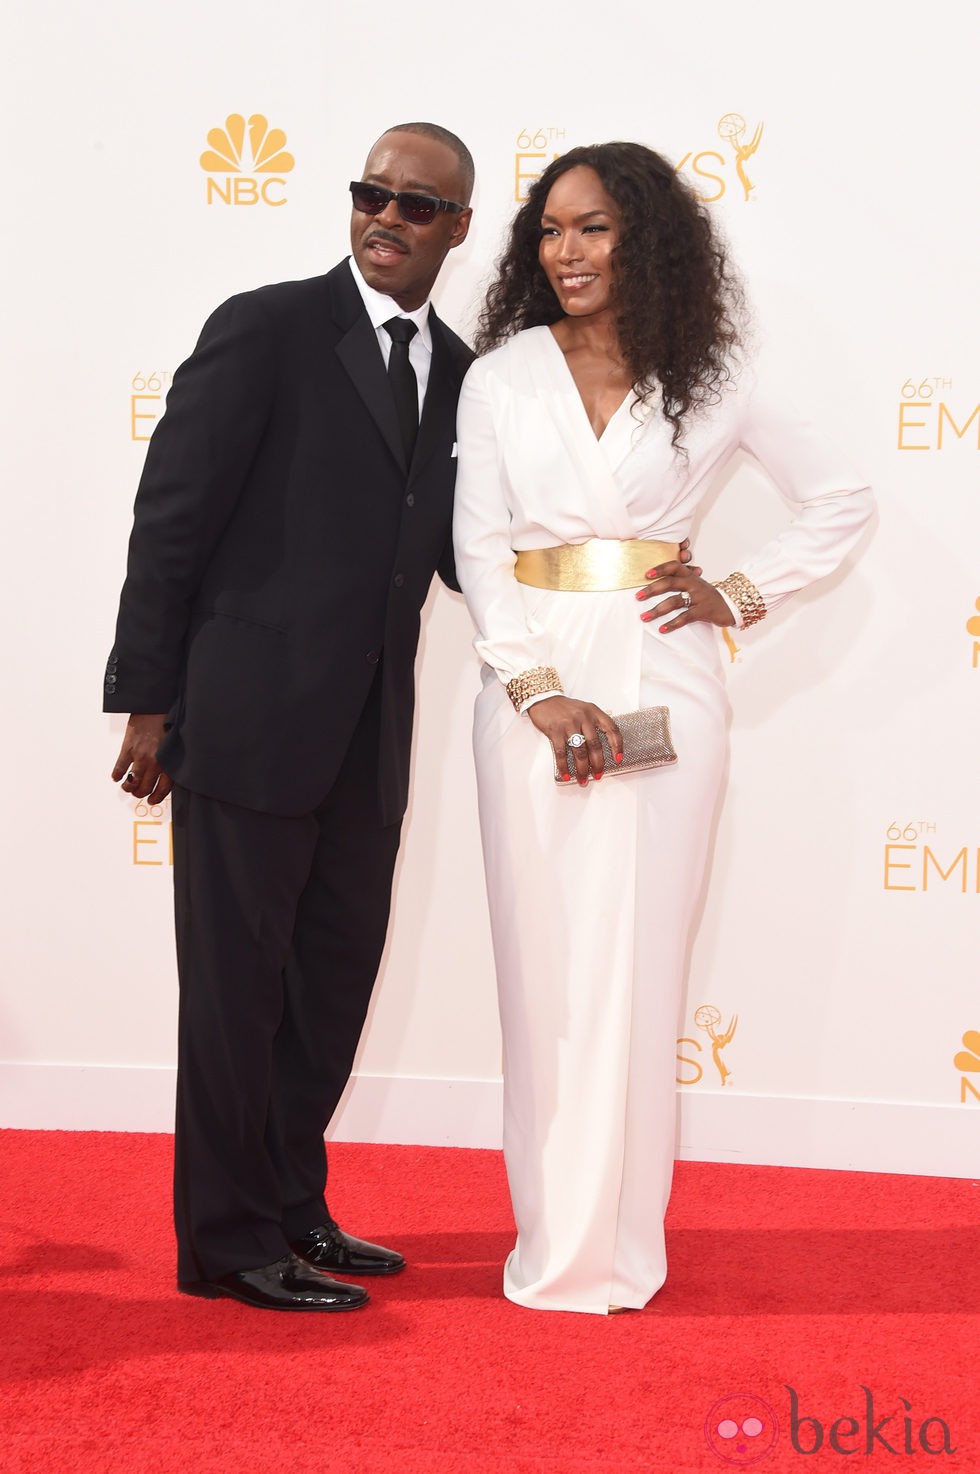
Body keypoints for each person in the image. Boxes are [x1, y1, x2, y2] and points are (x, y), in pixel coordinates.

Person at [452, 142, 872, 1315]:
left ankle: (621, 1246)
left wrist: (735, 594)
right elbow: (481, 551)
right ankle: (552, 1239)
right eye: (549, 230)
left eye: (593, 229)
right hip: (533, 692)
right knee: (543, 971)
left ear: (646, 238)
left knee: (637, 962)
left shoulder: (714, 373)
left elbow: (840, 497)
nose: (566, 252)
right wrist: (535, 691)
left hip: (664, 685)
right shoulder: (501, 377)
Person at [104, 123, 474, 1311]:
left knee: (326, 991)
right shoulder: (263, 328)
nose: (384, 216)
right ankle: (224, 1237)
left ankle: (294, 1209)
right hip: (247, 723)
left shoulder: (463, 371)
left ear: (456, 228)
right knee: (233, 995)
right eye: (370, 193)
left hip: (369, 740)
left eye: (415, 205)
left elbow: (470, 551)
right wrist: (149, 705)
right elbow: (172, 518)